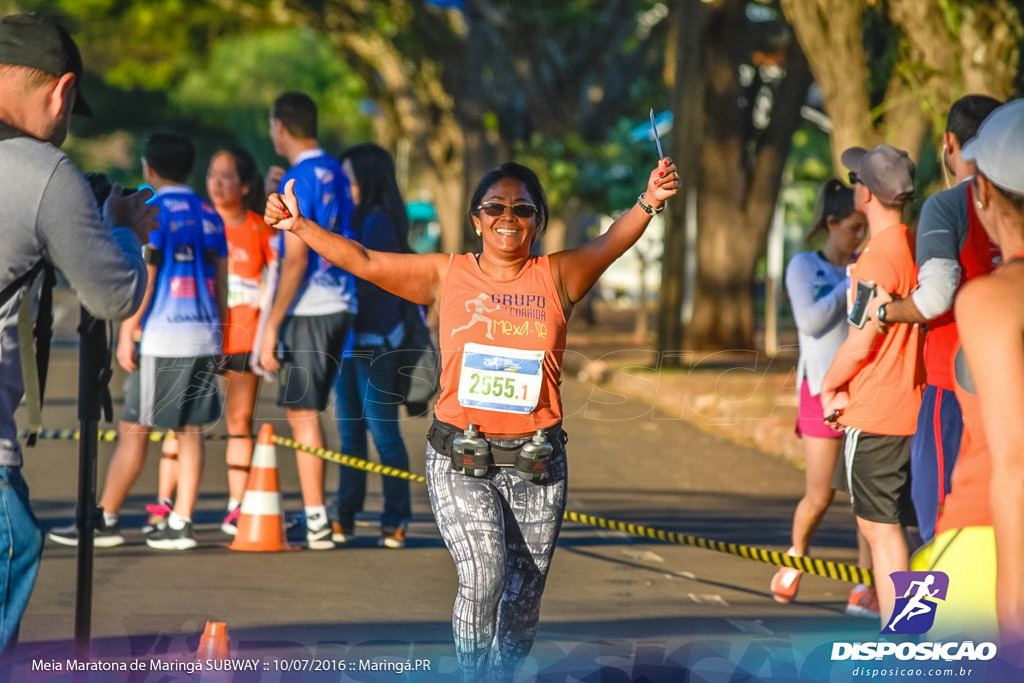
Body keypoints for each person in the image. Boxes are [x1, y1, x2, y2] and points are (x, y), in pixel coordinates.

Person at [265, 156, 679, 681]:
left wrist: (648, 200)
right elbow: (366, 260)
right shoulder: (446, 274)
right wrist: (298, 224)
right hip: (461, 458)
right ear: (476, 219)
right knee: (484, 574)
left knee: (523, 601)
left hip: (538, 462)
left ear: (538, 221)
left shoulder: (557, 275)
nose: (509, 216)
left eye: (523, 208)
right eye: (496, 206)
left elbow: (610, 242)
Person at [0, 13, 153, 650]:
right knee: (15, 543)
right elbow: (114, 292)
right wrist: (122, 229)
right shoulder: (42, 170)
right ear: (61, 91)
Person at [49, 130, 228, 551]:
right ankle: (181, 520)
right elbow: (221, 279)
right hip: (201, 332)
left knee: (133, 429)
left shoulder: (151, 209)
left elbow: (147, 274)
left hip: (163, 335)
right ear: (191, 167)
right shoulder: (208, 213)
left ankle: (106, 518)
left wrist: (129, 330)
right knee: (189, 431)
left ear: (148, 167)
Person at [867, 96, 1003, 543]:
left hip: (953, 386)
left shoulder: (949, 205)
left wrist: (886, 311)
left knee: (937, 521)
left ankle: (915, 618)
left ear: (949, 142)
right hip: (1009, 379)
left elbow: (936, 297)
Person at [915, 99, 1024, 644]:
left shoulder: (990, 302)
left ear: (981, 193)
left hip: (985, 544)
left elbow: (1014, 461)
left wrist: (1011, 623)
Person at [820, 143, 924, 626]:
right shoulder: (915, 248)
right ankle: (915, 630)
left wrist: (829, 386)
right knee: (905, 529)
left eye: (857, 180)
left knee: (880, 531)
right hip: (913, 408)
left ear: (867, 194)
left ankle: (901, 634)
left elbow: (861, 343)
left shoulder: (877, 259)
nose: (854, 186)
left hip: (878, 411)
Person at [770, 180, 877, 617]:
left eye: (864, 229)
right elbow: (811, 321)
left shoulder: (863, 265)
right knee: (819, 496)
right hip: (819, 392)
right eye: (853, 228)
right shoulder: (803, 266)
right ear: (831, 224)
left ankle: (864, 585)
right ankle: (796, 556)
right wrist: (850, 283)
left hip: (864, 393)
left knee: (865, 497)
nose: (860, 238)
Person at [258, 92, 356, 550]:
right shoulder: (334, 170)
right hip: (339, 301)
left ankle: (317, 517)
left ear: (281, 126)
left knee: (301, 414)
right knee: (309, 410)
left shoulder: (300, 176)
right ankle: (318, 512)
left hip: (310, 305)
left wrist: (272, 324)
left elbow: (295, 259)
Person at [329, 143, 413, 548]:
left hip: (375, 345)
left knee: (383, 435)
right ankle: (345, 514)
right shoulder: (357, 218)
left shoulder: (378, 223)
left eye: (349, 177)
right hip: (349, 344)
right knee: (350, 437)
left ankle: (395, 518)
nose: (345, 184)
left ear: (368, 177)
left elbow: (376, 283)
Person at [206, 145, 276, 535]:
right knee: (179, 424)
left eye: (227, 175)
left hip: (244, 338)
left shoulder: (257, 228)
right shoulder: (200, 223)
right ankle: (171, 507)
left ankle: (237, 505)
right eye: (213, 174)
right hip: (199, 335)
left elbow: (275, 281)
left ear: (245, 184)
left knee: (238, 420)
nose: (217, 183)